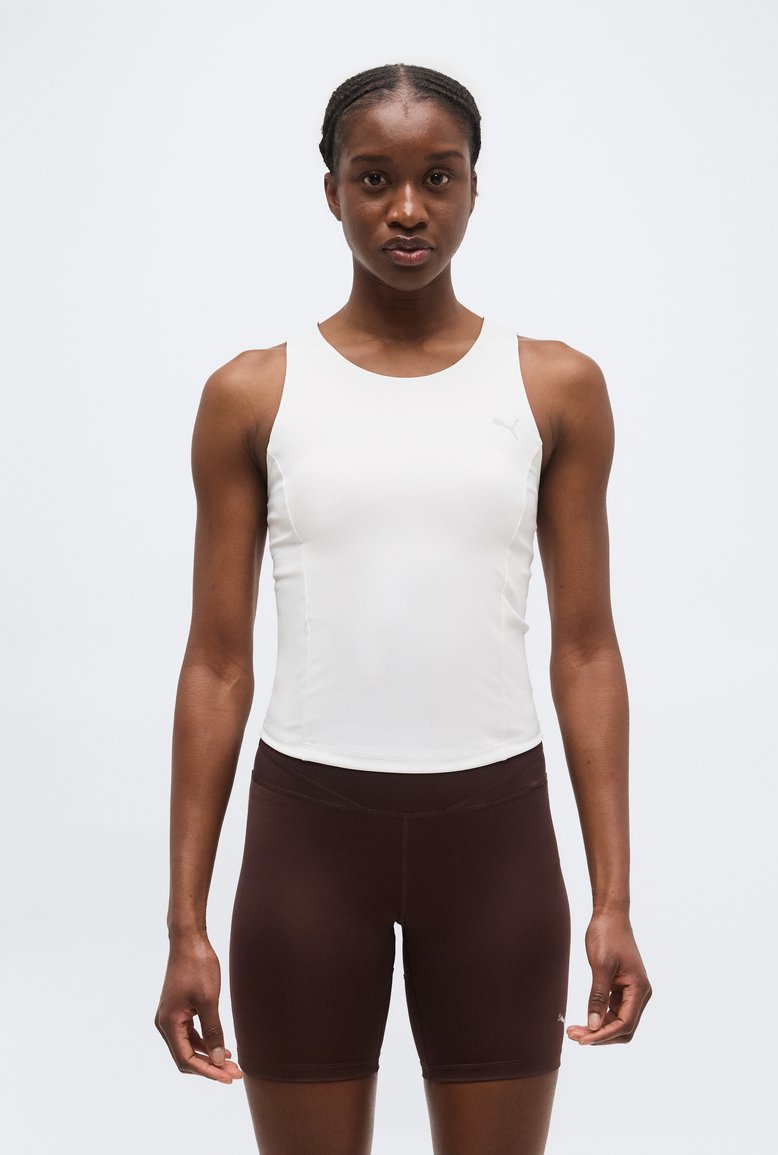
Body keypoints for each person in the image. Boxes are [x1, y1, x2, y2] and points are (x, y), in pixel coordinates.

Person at [154, 62, 652, 1155]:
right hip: (306, 846)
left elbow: (585, 650)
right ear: (331, 189)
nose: (407, 209)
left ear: (475, 186)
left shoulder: (553, 387)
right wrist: (184, 922)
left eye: (439, 176)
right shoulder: (252, 394)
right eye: (374, 178)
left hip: (497, 846)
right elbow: (217, 664)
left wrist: (611, 898)